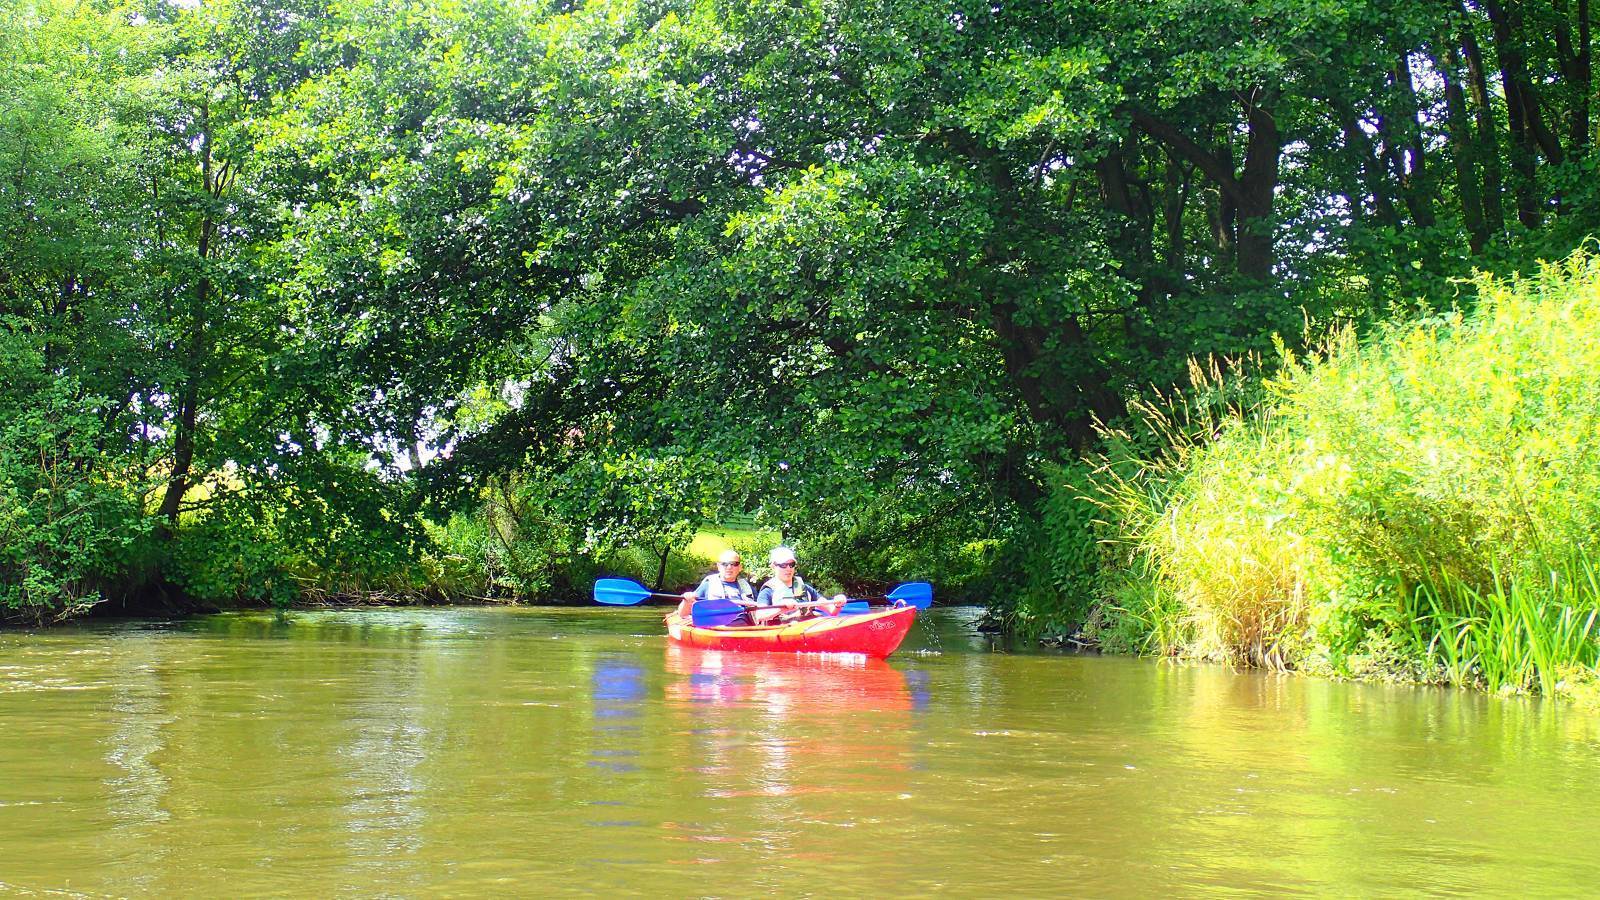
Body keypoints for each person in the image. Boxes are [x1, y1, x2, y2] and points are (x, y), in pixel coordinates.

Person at [755, 546, 843, 622]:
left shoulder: (804, 588)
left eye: (791, 564)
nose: (788, 569)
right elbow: (759, 616)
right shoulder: (768, 591)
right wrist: (781, 609)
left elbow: (832, 611)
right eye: (783, 565)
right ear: (773, 566)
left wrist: (838, 604)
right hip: (783, 632)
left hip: (807, 630)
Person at [677, 550, 754, 619]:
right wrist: (686, 602)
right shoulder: (708, 585)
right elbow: (683, 614)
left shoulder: (747, 586)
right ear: (718, 566)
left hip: (745, 626)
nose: (729, 567)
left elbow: (759, 607)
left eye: (734, 564)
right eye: (725, 564)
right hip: (718, 626)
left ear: (740, 567)